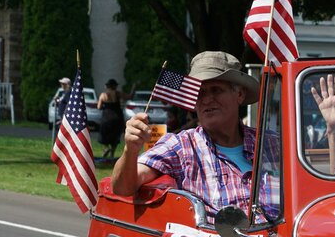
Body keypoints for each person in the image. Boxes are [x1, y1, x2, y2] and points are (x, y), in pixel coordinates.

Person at [111, 51, 267, 214]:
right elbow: (123, 187)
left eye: (216, 90)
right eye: (200, 92)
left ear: (239, 94)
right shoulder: (180, 147)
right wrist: (130, 149)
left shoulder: (272, 144)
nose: (206, 99)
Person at [96, 79, 123, 159]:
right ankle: (112, 154)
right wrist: (134, 87)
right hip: (117, 117)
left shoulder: (103, 95)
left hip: (107, 117)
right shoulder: (118, 94)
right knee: (115, 135)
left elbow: (99, 107)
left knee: (105, 134)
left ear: (107, 86)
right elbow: (129, 97)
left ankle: (106, 148)